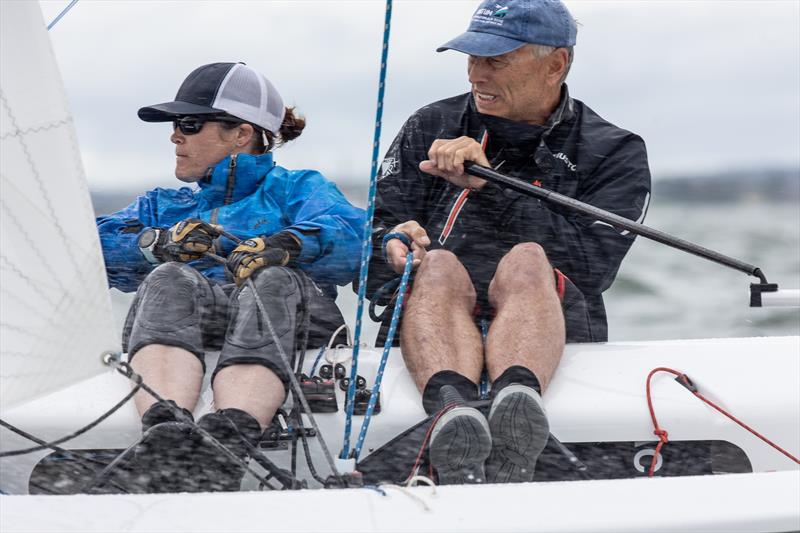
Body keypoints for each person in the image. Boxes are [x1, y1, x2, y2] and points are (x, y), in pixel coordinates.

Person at [368, 0, 651, 485]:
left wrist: (490, 186)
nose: (476, 74)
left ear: (556, 63)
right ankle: (455, 418)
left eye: (495, 60)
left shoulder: (615, 150)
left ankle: (513, 412)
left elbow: (593, 267)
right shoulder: (427, 125)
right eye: (472, 57)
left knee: (526, 260)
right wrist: (391, 246)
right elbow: (373, 246)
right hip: (429, 326)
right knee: (435, 265)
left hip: (547, 334)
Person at [96, 62, 364, 492]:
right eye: (176, 124)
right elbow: (89, 247)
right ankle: (166, 437)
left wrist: (287, 246)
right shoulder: (163, 206)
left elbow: (355, 239)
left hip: (294, 321)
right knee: (168, 275)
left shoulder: (300, 189)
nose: (174, 135)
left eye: (188, 123)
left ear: (241, 134)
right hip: (217, 322)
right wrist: (154, 243)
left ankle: (231, 438)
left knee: (270, 280)